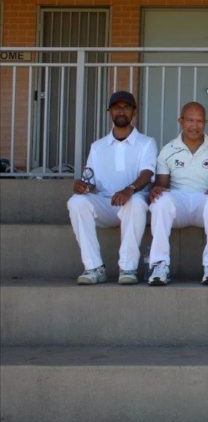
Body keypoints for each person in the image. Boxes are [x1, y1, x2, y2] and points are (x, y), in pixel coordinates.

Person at [67, 91, 157, 285]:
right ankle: (94, 267)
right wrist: (82, 186)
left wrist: (129, 190)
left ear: (134, 111)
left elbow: (147, 174)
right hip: (105, 203)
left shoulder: (147, 143)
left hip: (132, 202)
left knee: (137, 202)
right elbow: (90, 180)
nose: (121, 111)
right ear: (110, 112)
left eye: (126, 107)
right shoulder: (98, 146)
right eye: (117, 107)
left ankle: (128, 267)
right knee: (76, 202)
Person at [147, 102, 208, 286]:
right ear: (181, 121)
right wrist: (156, 190)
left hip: (205, 203)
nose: (195, 125)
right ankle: (159, 265)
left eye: (200, 121)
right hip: (179, 204)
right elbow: (162, 185)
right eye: (190, 120)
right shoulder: (168, 150)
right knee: (160, 201)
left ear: (206, 122)